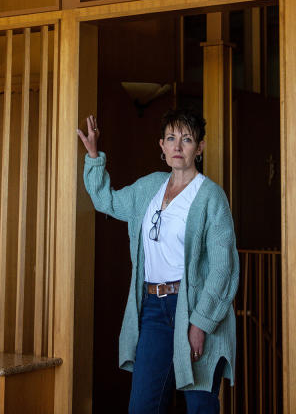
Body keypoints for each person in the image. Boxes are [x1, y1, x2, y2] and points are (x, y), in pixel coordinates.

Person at [77, 108, 239, 414]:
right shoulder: (149, 187)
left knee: (201, 405)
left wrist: (200, 322)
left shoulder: (211, 197)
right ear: (162, 146)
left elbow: (223, 267)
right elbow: (106, 201)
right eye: (171, 138)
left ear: (199, 148)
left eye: (187, 139)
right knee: (143, 406)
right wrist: (95, 156)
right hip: (153, 309)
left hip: (192, 308)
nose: (178, 146)